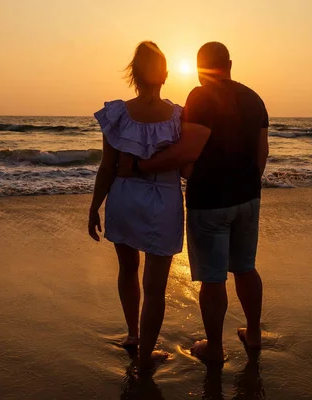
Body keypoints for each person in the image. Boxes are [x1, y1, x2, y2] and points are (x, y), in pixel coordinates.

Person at [120, 42, 269, 363]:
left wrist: (139, 167)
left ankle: (214, 348)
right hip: (249, 198)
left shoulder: (201, 97)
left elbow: (188, 153)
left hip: (211, 201)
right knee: (245, 268)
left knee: (213, 277)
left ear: (200, 68)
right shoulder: (254, 98)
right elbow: (262, 153)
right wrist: (248, 185)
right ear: (229, 63)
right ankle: (253, 334)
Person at [88, 41, 184, 370]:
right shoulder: (178, 117)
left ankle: (133, 334)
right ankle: (145, 358)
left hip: (124, 197)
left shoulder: (118, 114)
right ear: (166, 74)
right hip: (164, 200)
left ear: (133, 74)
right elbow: (186, 166)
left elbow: (107, 166)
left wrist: (94, 207)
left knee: (128, 269)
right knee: (155, 287)